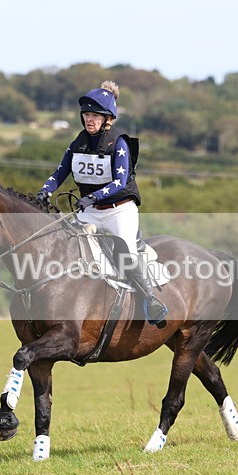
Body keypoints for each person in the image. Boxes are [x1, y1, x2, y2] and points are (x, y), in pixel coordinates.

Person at [36, 81, 168, 326]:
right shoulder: (79, 141)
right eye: (86, 115)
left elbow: (120, 181)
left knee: (125, 252)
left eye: (95, 115)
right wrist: (45, 190)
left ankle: (151, 301)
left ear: (107, 119)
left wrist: (95, 196)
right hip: (89, 210)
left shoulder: (119, 142)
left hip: (119, 210)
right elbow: (61, 171)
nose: (89, 119)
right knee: (67, 247)